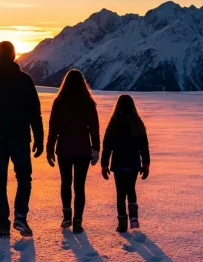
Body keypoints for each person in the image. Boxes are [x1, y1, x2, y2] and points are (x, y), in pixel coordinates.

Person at [0, 41, 44, 238]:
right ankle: (20, 216)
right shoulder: (24, 80)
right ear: (14, 55)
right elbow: (34, 113)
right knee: (24, 179)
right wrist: (39, 139)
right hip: (20, 139)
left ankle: (3, 225)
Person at [46, 70, 100, 234]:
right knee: (79, 186)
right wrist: (96, 149)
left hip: (64, 148)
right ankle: (77, 221)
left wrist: (50, 149)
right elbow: (94, 128)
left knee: (66, 183)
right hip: (83, 148)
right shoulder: (88, 102)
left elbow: (53, 127)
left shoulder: (59, 101)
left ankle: (67, 217)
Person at [101, 94, 150, 233]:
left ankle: (122, 223)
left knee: (120, 193)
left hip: (118, 162)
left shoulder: (114, 122)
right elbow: (144, 146)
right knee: (131, 189)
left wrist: (104, 164)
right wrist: (146, 164)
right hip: (133, 162)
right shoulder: (137, 122)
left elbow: (107, 145)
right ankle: (134, 217)